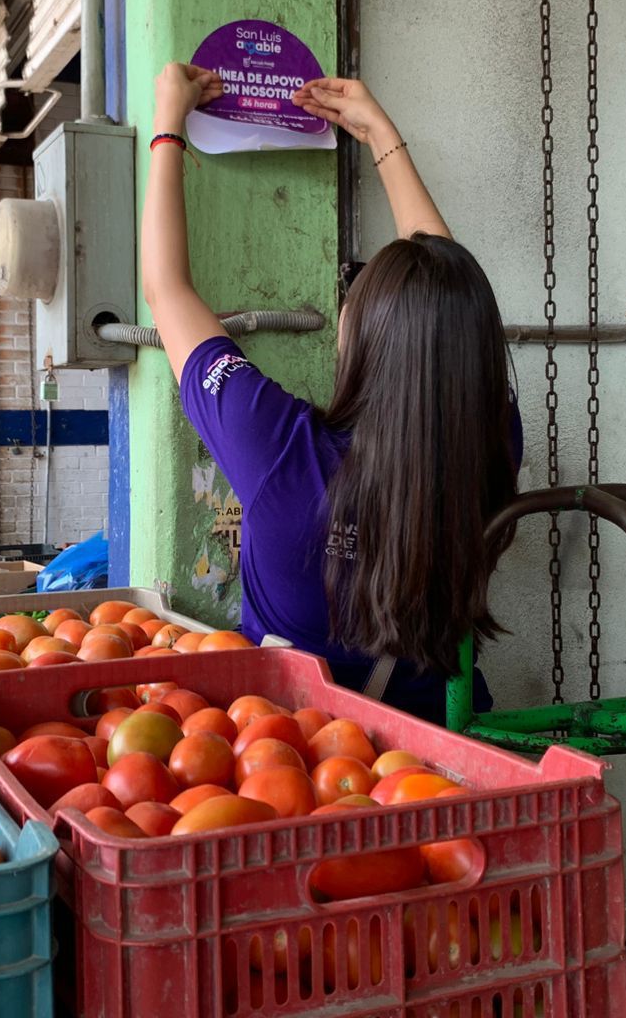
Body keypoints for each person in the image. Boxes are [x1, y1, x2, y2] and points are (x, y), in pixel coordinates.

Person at [141, 64, 519, 722]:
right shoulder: (490, 446)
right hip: (446, 756)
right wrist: (382, 137)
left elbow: (167, 291)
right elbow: (446, 313)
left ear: (359, 340)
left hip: (294, 762)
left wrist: (167, 128)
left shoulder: (277, 447)